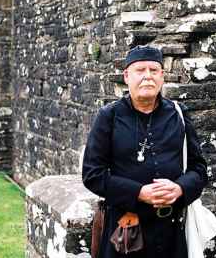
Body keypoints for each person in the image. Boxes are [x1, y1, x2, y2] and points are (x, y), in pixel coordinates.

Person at [82, 45, 208, 258]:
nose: (147, 76)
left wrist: (180, 188)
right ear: (126, 76)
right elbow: (92, 175)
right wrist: (139, 193)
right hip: (125, 233)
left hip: (171, 234)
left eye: (154, 70)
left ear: (162, 76)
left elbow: (199, 169)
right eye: (140, 70)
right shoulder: (109, 116)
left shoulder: (178, 114)